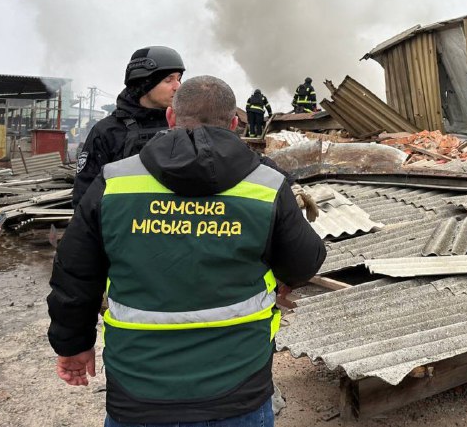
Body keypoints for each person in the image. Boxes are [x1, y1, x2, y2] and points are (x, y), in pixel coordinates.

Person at [48, 75, 326, 427]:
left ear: (171, 118)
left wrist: (72, 345)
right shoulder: (267, 184)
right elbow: (304, 263)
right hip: (237, 389)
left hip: (138, 391)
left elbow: (74, 272)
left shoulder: (114, 182)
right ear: (235, 123)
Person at [72, 46, 185, 208]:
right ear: (145, 83)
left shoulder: (184, 126)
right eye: (168, 80)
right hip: (122, 229)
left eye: (179, 78)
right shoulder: (107, 132)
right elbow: (84, 200)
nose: (178, 86)